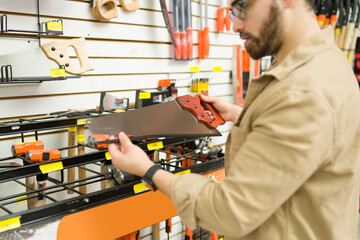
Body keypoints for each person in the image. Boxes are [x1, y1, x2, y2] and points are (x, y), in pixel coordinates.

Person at [108, 0, 360, 239]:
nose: (234, 25)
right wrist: (241, 114)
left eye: (242, 7)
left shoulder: (302, 89)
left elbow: (230, 211)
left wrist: (148, 169)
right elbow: (306, 137)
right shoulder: (328, 63)